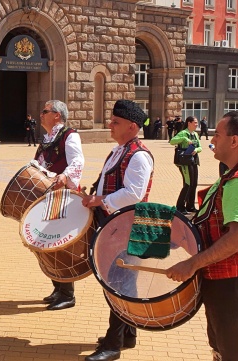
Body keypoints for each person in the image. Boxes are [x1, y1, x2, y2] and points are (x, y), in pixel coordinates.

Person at [166, 111, 238, 361]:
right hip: (231, 278)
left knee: (233, 352)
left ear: (234, 141)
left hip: (233, 281)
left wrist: (191, 264)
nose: (211, 140)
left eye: (217, 135)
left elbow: (237, 238)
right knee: (222, 346)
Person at [82, 100, 154, 361]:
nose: (110, 125)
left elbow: (134, 194)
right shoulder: (120, 150)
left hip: (128, 227)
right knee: (124, 283)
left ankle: (113, 345)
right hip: (116, 225)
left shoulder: (139, 155)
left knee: (118, 284)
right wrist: (94, 197)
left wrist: (101, 201)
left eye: (116, 123)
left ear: (132, 127)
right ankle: (129, 334)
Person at [34, 100, 84, 311]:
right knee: (47, 243)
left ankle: (67, 294)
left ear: (57, 115)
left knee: (60, 245)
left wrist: (64, 176)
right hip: (49, 196)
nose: (41, 114)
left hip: (64, 197)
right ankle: (58, 288)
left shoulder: (69, 135)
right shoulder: (47, 138)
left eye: (45, 111)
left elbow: (78, 162)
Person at [170, 116, 202, 214]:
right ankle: (180, 206)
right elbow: (172, 141)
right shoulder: (184, 133)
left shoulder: (195, 134)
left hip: (193, 161)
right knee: (188, 183)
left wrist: (196, 150)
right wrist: (183, 139)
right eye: (195, 122)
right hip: (185, 161)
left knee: (194, 184)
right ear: (189, 123)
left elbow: (200, 147)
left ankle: (190, 206)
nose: (196, 124)